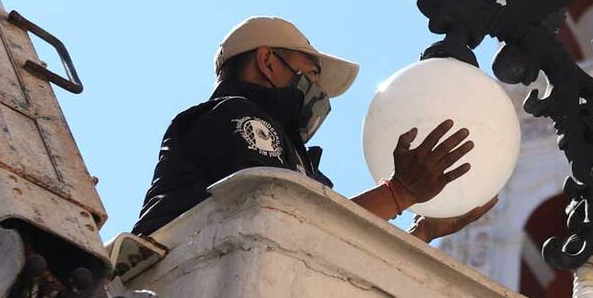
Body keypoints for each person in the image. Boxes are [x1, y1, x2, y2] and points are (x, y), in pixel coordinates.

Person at [132, 16, 495, 242]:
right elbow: (287, 223)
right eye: (311, 73)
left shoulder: (295, 159)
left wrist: (423, 232)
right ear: (267, 62)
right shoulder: (237, 118)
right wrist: (399, 194)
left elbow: (328, 254)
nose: (317, 91)